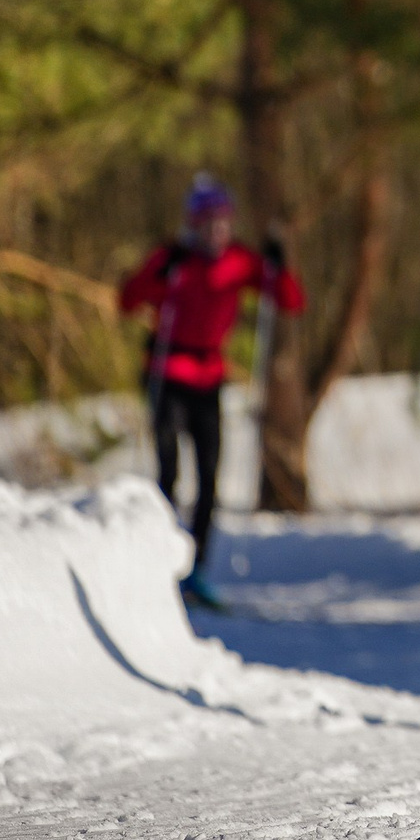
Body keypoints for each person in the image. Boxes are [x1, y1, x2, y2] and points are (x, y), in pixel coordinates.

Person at [118, 173, 304, 607]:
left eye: (224, 222)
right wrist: (155, 278)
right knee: (168, 473)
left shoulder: (238, 260)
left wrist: (280, 263)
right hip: (166, 373)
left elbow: (291, 300)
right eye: (209, 222)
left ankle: (195, 571)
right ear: (193, 224)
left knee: (209, 479)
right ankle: (157, 564)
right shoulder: (174, 258)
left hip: (209, 378)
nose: (218, 231)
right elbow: (127, 301)